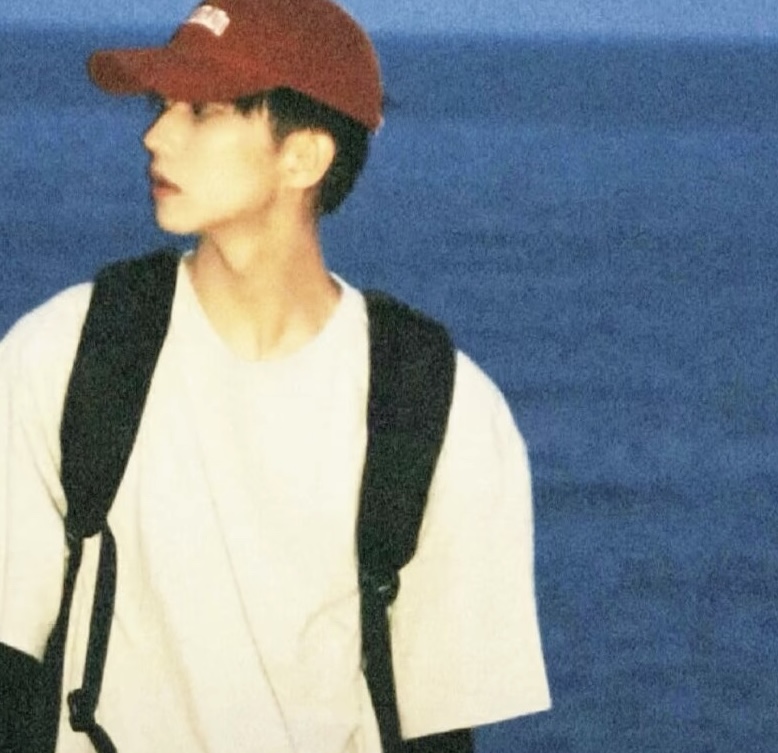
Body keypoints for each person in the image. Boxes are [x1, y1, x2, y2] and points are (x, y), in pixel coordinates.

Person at [0, 0, 551, 751]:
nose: (155, 134)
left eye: (201, 109)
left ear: (304, 157)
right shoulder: (65, 353)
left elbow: (438, 729)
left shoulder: (437, 404)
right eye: (162, 105)